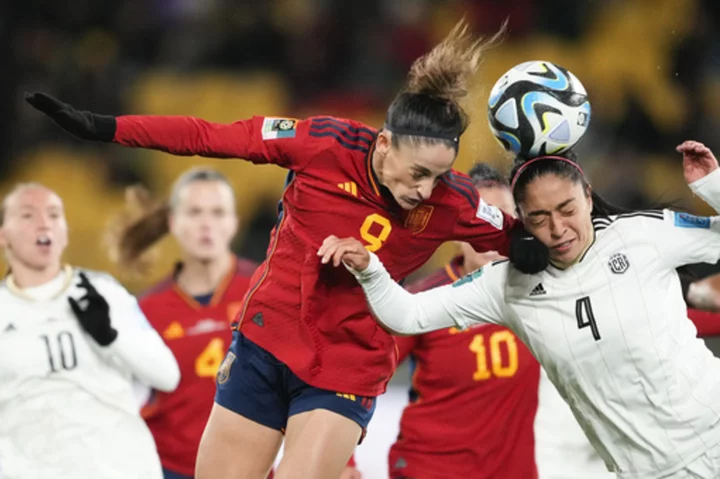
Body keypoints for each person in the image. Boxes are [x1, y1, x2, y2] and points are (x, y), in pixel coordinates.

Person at [25, 20, 514, 479]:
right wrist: (107, 128)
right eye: (417, 173)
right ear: (384, 144)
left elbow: (534, 242)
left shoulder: (457, 202)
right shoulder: (324, 144)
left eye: (438, 176)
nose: (426, 190)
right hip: (265, 346)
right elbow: (209, 137)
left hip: (346, 368)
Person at [335, 140, 720, 479]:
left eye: (567, 209)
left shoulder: (638, 236)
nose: (558, 228)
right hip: (638, 471)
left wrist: (712, 187)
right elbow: (396, 327)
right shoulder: (504, 288)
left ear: (587, 196)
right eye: (539, 218)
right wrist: (370, 270)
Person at [384, 163, 609, 479]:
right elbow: (361, 370)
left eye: (502, 216)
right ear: (458, 226)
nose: (489, 231)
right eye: (479, 218)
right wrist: (345, 458)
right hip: (430, 469)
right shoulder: (425, 299)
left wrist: (700, 302)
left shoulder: (543, 291)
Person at [0, 183, 180, 478]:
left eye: (54, 214)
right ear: (3, 235)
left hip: (119, 468)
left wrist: (110, 338)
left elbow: (167, 375)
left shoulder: (104, 292)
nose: (44, 222)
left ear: (65, 233)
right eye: (27, 215)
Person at [105, 168, 258, 479]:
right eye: (194, 212)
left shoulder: (265, 290)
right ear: (173, 222)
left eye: (217, 212)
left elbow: (312, 374)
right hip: (167, 469)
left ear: (234, 222)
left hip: (253, 469)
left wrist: (343, 460)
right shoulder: (145, 311)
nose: (206, 224)